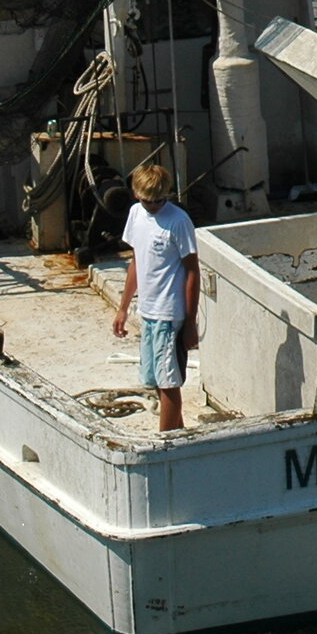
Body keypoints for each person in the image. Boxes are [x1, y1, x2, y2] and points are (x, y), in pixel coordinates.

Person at [112, 163, 199, 433]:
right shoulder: (135, 214)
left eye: (159, 200)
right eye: (147, 200)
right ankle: (179, 433)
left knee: (169, 384)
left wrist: (190, 322)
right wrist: (123, 308)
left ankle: (165, 441)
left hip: (169, 314)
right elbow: (136, 262)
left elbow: (192, 271)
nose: (153, 205)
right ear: (137, 194)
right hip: (147, 312)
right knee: (157, 380)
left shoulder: (178, 221)